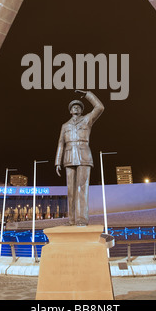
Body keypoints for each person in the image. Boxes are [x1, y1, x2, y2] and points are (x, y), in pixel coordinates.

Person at [55, 90, 104, 226]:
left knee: (82, 188)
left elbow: (100, 107)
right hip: (69, 156)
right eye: (73, 107)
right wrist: (57, 161)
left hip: (84, 155)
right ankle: (71, 220)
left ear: (82, 110)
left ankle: (82, 219)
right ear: (70, 111)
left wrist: (88, 94)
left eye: (78, 106)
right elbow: (60, 143)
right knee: (70, 190)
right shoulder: (65, 126)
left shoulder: (87, 119)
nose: (76, 108)